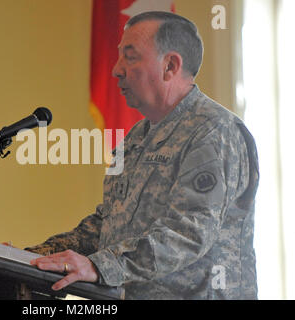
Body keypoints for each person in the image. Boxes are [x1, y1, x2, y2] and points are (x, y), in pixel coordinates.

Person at [26, 11, 259, 300]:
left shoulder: (214, 132)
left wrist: (99, 266)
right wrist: (33, 257)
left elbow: (188, 233)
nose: (116, 69)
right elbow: (107, 224)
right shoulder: (136, 138)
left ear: (170, 66)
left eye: (130, 56)